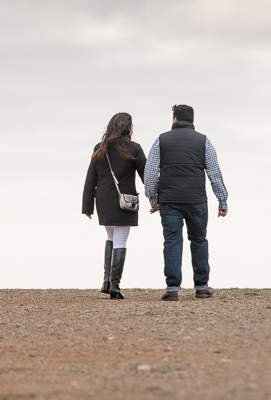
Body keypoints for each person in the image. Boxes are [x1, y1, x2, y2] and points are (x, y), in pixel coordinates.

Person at [144, 104, 228, 301]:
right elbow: (215, 174)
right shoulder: (204, 141)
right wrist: (222, 200)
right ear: (192, 121)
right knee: (199, 240)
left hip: (169, 200)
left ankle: (172, 289)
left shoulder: (161, 140)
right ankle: (201, 287)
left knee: (172, 241)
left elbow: (150, 173)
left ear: (174, 120)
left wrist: (153, 198)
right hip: (196, 200)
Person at [82, 112, 146, 299]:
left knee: (110, 237)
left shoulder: (99, 148)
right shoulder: (134, 148)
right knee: (120, 241)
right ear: (129, 127)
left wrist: (87, 206)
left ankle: (106, 281)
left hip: (103, 201)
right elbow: (146, 176)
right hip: (124, 201)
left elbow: (90, 179)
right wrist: (155, 197)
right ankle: (115, 287)